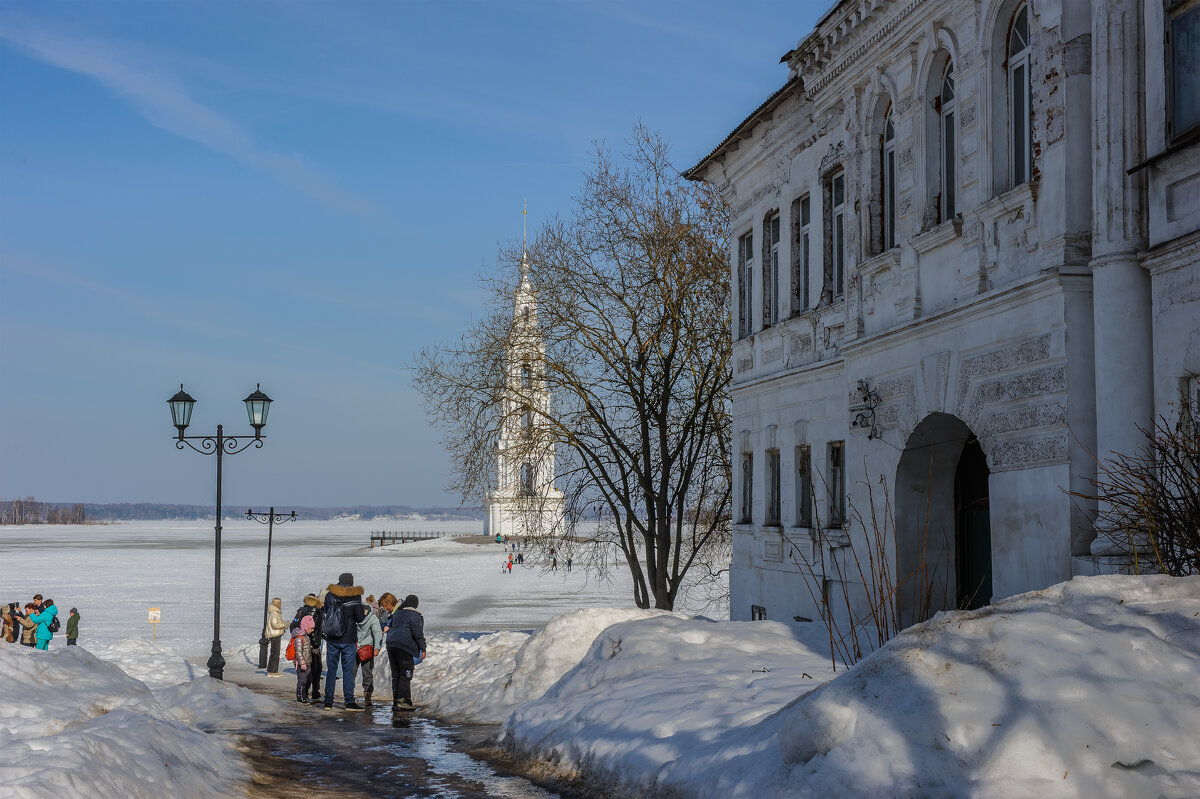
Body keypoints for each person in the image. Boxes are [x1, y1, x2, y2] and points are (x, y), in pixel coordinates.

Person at [322, 572, 366, 711]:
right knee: (347, 671)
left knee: (331, 670)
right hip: (348, 638)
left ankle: (328, 702)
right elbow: (360, 618)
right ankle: (349, 702)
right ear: (352, 582)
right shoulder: (355, 595)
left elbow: (326, 611)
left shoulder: (330, 595)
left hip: (332, 637)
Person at [384, 594, 425, 712]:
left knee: (396, 674)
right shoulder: (415, 615)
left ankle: (397, 700)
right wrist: (423, 648)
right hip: (405, 647)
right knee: (405, 673)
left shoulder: (397, 613)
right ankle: (403, 701)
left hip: (391, 645)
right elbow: (418, 634)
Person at [291, 593, 324, 702]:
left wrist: (298, 634)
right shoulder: (315, 610)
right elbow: (314, 630)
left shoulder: (301, 610)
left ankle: (306, 693)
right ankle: (312, 693)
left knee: (309, 670)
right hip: (310, 645)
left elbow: (293, 625)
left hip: (303, 642)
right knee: (315, 669)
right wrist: (315, 642)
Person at [355, 596, 383, 707]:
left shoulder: (354, 616)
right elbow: (377, 633)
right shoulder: (372, 618)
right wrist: (376, 647)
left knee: (351, 673)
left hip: (354, 647)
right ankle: (367, 696)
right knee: (367, 673)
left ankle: (349, 696)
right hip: (367, 649)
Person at [292, 616, 314, 703]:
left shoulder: (306, 637)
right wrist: (302, 663)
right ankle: (300, 697)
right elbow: (298, 652)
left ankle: (305, 696)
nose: (312, 630)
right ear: (306, 627)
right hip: (301, 664)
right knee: (302, 680)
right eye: (311, 628)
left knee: (309, 679)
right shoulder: (299, 637)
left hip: (307, 662)